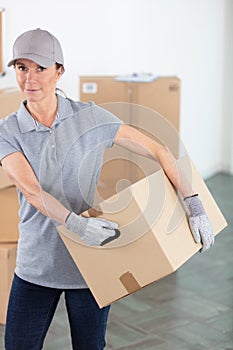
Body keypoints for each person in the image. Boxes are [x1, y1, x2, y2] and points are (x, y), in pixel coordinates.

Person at [0, 28, 214, 350]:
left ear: (60, 71)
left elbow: (159, 151)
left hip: (90, 264)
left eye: (40, 68)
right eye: (21, 67)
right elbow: (32, 190)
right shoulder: (8, 131)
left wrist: (194, 202)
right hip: (36, 266)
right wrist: (75, 224)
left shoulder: (89, 117)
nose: (30, 78)